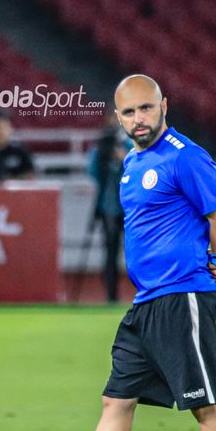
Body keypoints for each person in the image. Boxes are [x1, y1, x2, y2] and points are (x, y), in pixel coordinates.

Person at [88, 75, 216, 431]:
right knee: (116, 400)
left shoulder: (185, 156)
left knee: (206, 407)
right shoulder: (133, 163)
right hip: (146, 303)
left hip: (182, 295)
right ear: (118, 118)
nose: (138, 118)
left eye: (146, 108)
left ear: (164, 107)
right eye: (129, 111)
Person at [87, 113, 132, 303]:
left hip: (130, 208)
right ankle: (111, 295)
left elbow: (142, 169)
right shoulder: (101, 148)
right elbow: (94, 173)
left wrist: (125, 159)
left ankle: (144, 294)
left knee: (136, 252)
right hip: (108, 207)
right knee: (110, 252)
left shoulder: (130, 146)